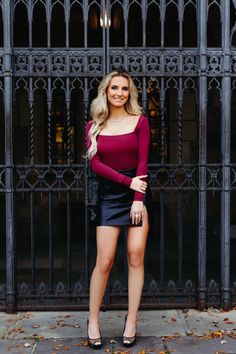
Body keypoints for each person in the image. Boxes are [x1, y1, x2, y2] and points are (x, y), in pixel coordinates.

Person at [85, 69, 150, 349]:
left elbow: (143, 163)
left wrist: (137, 198)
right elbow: (96, 165)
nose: (119, 93)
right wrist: (127, 182)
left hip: (137, 196)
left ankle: (131, 320)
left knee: (135, 256)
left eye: (124, 89)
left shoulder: (140, 122)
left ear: (130, 92)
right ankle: (93, 321)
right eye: (114, 88)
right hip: (110, 197)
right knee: (105, 261)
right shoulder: (94, 126)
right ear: (106, 92)